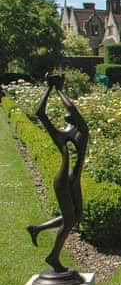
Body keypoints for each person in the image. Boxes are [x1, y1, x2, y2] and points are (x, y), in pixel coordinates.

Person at [27, 73, 89, 273]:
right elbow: (41, 112)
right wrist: (56, 89)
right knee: (70, 219)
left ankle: (37, 229)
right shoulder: (73, 133)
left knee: (76, 217)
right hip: (64, 180)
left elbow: (44, 112)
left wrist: (52, 88)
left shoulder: (80, 132)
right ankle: (53, 257)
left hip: (72, 180)